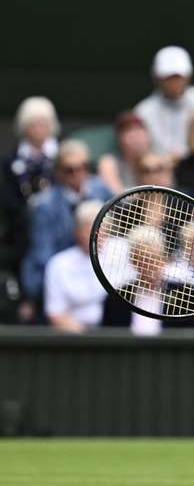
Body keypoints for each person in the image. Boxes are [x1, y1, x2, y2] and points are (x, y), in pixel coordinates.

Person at [20, 140, 111, 323]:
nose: (78, 174)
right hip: (63, 280)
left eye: (83, 167)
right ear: (58, 172)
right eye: (70, 169)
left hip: (101, 273)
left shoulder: (101, 189)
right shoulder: (44, 206)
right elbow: (42, 254)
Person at [2, 96, 60, 272]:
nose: (39, 129)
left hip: (57, 228)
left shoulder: (63, 156)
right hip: (23, 232)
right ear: (24, 126)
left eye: (43, 123)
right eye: (33, 123)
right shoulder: (10, 161)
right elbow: (8, 199)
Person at [43, 200, 107, 333]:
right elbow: (55, 313)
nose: (94, 234)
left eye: (100, 228)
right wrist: (89, 336)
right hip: (74, 339)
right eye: (88, 228)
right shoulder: (58, 264)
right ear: (76, 232)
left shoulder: (124, 254)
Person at [135, 46, 194, 159]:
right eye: (168, 77)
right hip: (157, 170)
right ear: (157, 78)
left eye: (178, 77)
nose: (174, 82)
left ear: (188, 77)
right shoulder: (143, 111)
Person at [96, 111, 151, 194]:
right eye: (129, 131)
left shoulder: (158, 161)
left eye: (139, 130)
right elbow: (117, 196)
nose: (136, 137)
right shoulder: (109, 162)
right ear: (119, 138)